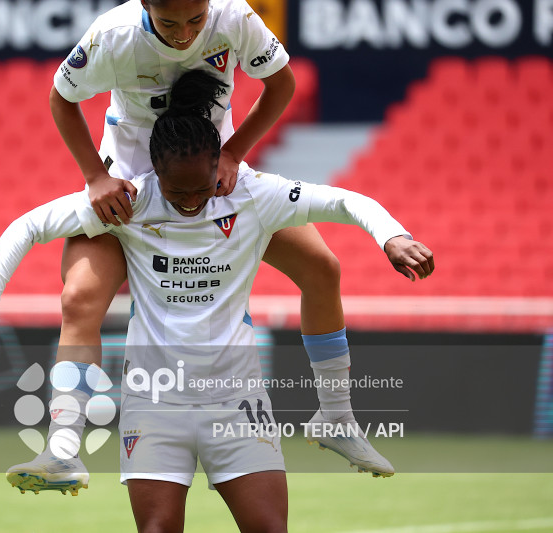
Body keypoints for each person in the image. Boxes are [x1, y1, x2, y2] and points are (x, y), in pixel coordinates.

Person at [0, 71, 434, 530]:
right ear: (153, 170)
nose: (189, 202)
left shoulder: (252, 193)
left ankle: (337, 415)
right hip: (153, 401)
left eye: (201, 189)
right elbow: (28, 226)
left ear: (219, 164)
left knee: (269, 528)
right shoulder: (131, 201)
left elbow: (346, 201)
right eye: (176, 190)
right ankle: (63, 446)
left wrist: (391, 236)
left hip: (238, 402)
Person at [40, 0, 395, 482]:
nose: (185, 34)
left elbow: (282, 83)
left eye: (195, 20)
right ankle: (62, 448)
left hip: (211, 182)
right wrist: (92, 176)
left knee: (322, 268)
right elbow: (62, 97)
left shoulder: (236, 17)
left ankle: (336, 415)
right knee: (79, 297)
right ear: (146, 6)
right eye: (169, 22)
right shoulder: (113, 33)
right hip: (126, 190)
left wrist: (232, 153)